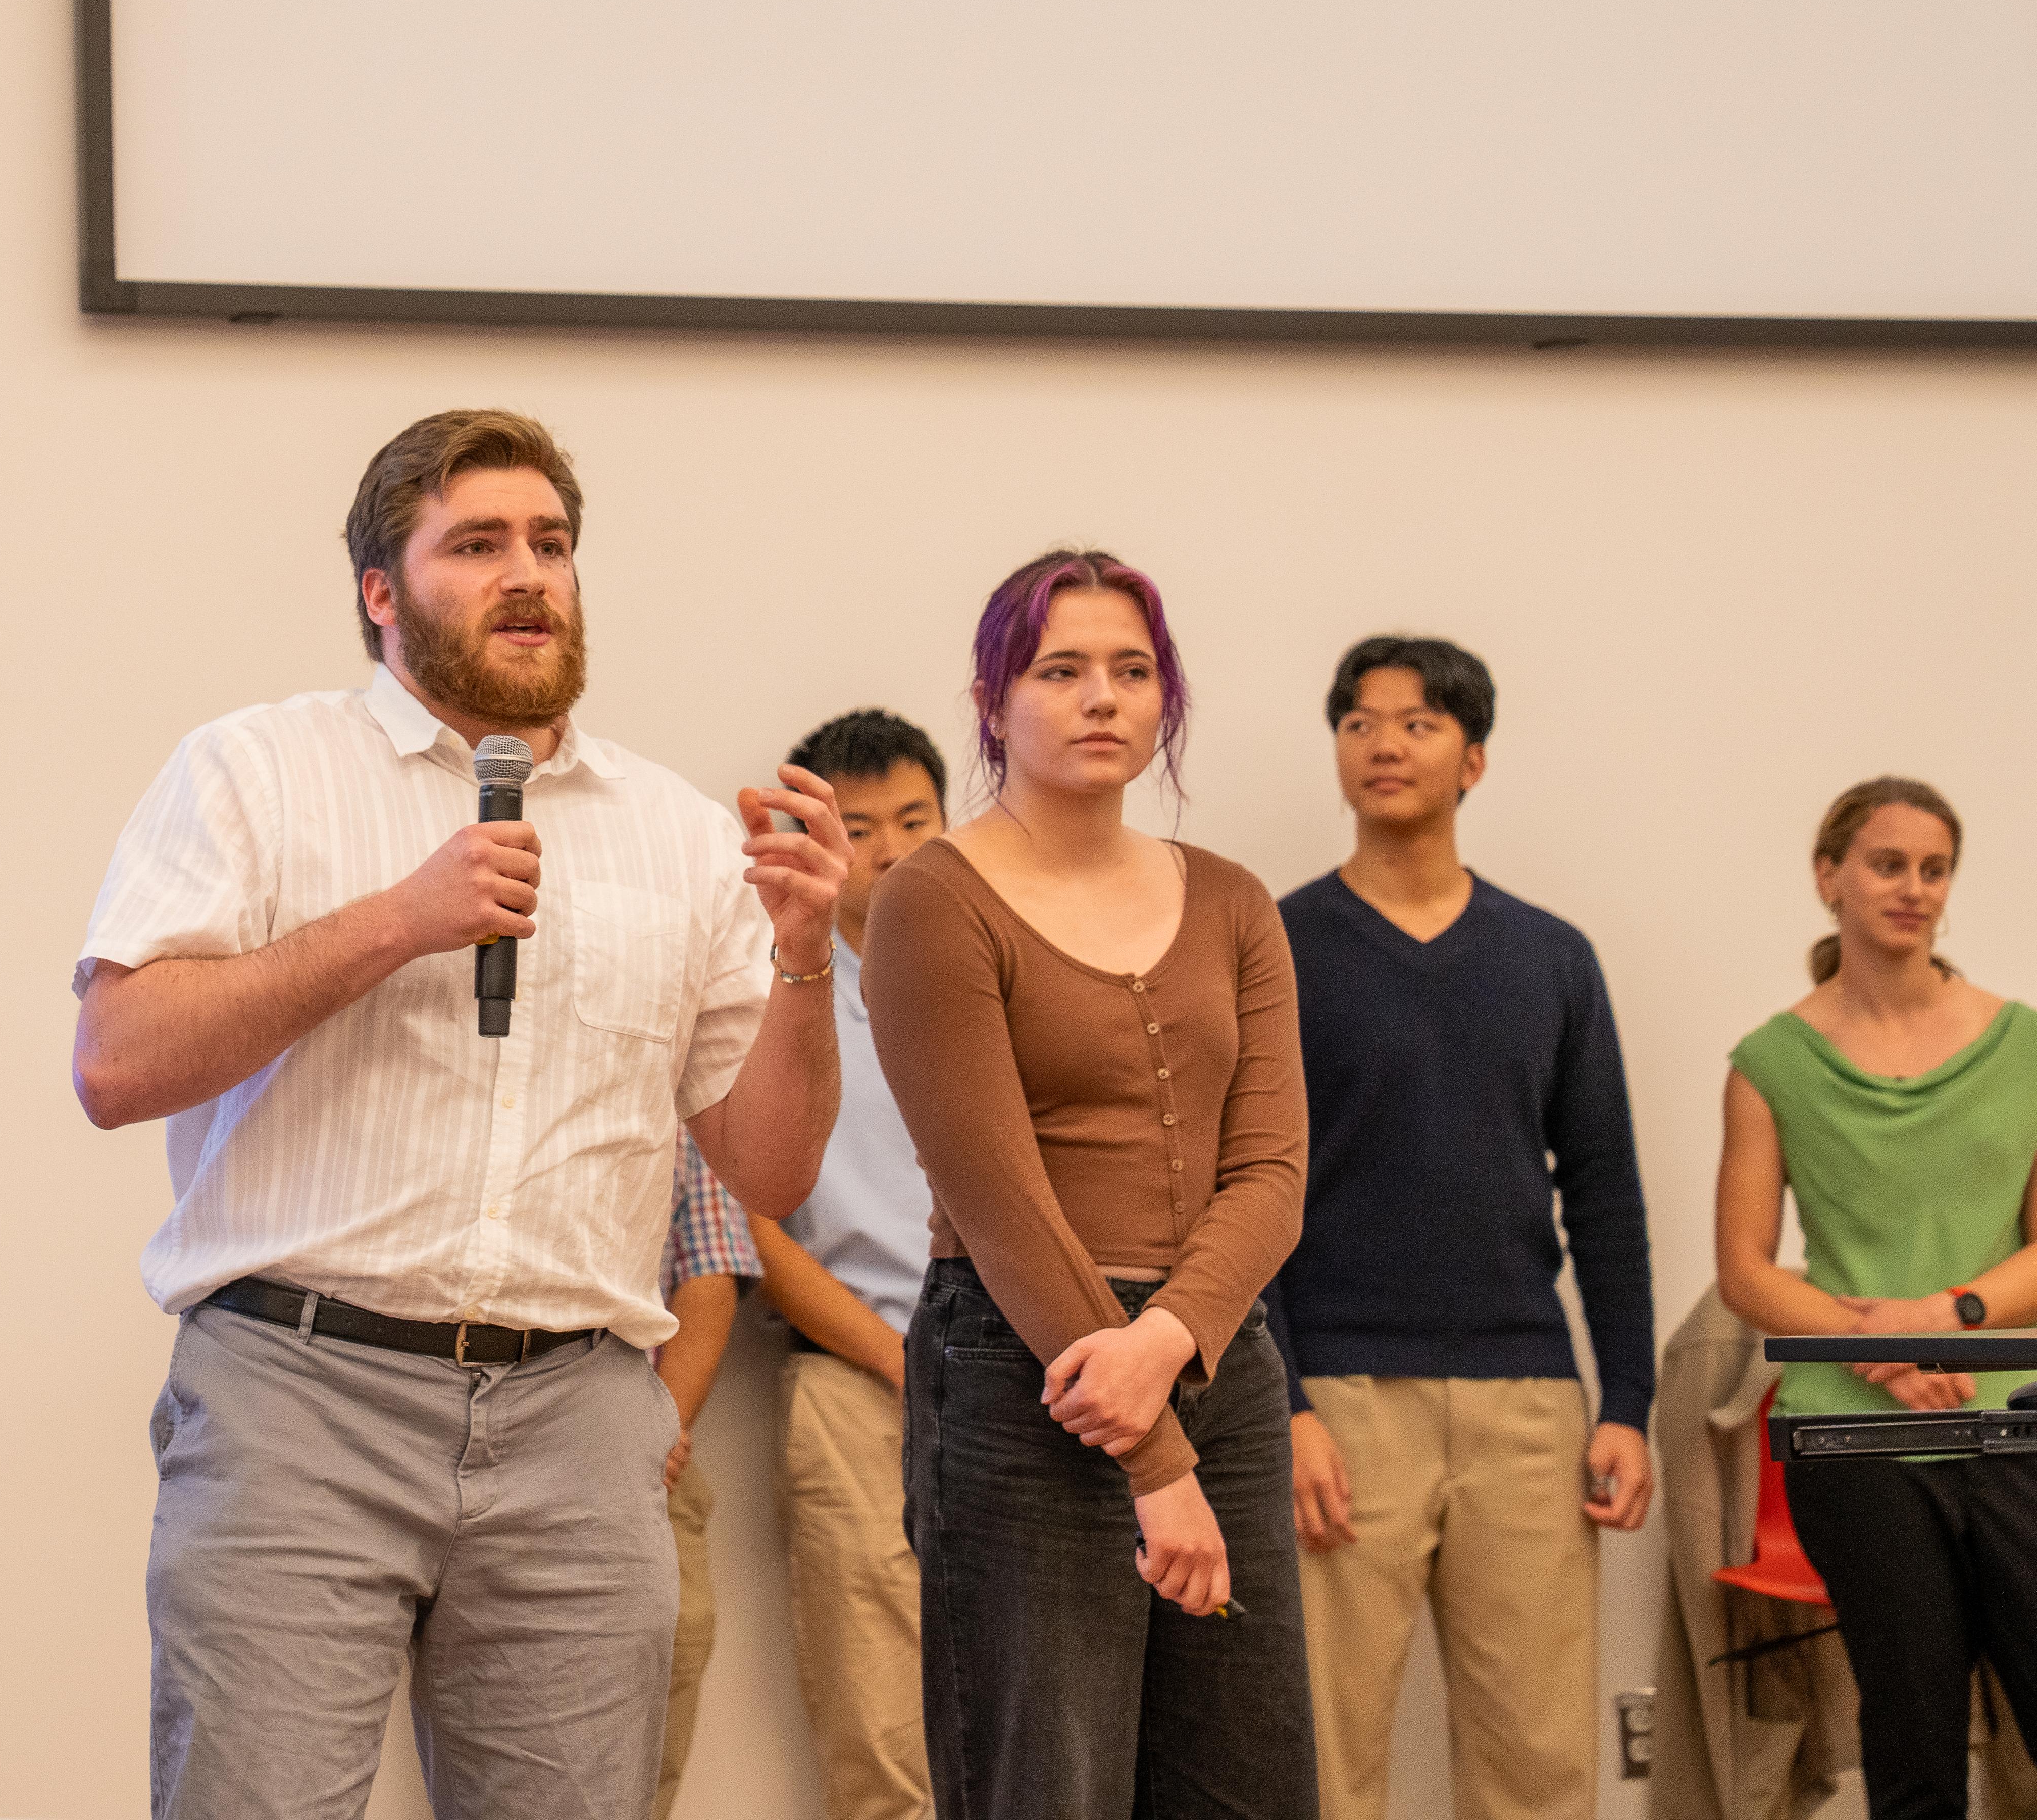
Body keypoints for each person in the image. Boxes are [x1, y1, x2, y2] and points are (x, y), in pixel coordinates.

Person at [71, 408, 852, 1820]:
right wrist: (394, 923)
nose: (528, 575)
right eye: (477, 544)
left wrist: (804, 957)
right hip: (299, 1392)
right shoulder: (255, 772)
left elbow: (768, 1162)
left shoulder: (674, 832)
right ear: (383, 592)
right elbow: (117, 1064)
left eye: (550, 545)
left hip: (581, 1419)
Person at [867, 547, 1315, 1820]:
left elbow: (1274, 1170)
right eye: (1060, 669)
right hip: (1022, 1378)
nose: (1101, 696)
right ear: (995, 698)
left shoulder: (1232, 900)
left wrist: (1170, 1342)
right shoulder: (931, 899)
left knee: (1250, 1784)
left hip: (1218, 1359)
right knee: (1044, 1786)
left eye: (1132, 669)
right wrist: (1152, 1454)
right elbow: (996, 1196)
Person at [1266, 636, 1656, 1820]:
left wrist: (1627, 1402)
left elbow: (1604, 1190)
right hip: (1337, 1399)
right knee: (1322, 1761)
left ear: (1474, 757)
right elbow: (1243, 1190)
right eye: (1361, 721)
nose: (1386, 742)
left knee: (1539, 1762)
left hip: (1528, 1407)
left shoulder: (1552, 957)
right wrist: (1280, 1405)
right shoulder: (1274, 946)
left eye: (1421, 721)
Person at [1715, 777, 2037, 1820]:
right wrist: (1881, 1346)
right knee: (1912, 1744)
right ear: (1831, 878)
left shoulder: (2025, 1043)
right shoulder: (1771, 1061)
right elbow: (1748, 1271)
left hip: (2013, 1421)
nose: (1913, 886)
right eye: (1888, 862)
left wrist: (1950, 1316)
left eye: (1933, 867)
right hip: (1857, 1441)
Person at [748, 707, 949, 1820]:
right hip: (855, 1379)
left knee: (1031, 1719)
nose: (886, 848)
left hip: (1024, 1387)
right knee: (881, 1737)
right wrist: (895, 1357)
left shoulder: (990, 981)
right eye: (857, 824)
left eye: (914, 820)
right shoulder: (773, 992)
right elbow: (757, 1228)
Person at [653, 1136, 763, 1820]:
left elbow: (711, 1266)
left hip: (643, 1454)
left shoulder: (674, 1079)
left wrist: (658, 1426)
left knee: (665, 1674)